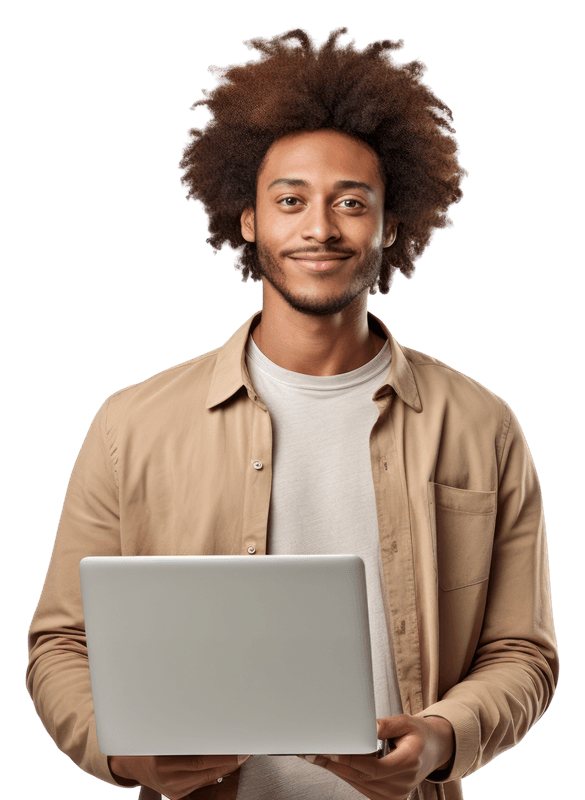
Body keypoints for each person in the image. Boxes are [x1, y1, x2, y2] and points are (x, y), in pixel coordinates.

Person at [26, 25, 558, 800]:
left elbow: (523, 651)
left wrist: (443, 737)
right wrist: (124, 752)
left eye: (351, 202)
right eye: (290, 201)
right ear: (247, 219)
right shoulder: (130, 424)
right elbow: (59, 643)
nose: (319, 228)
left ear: (391, 224)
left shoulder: (480, 425)